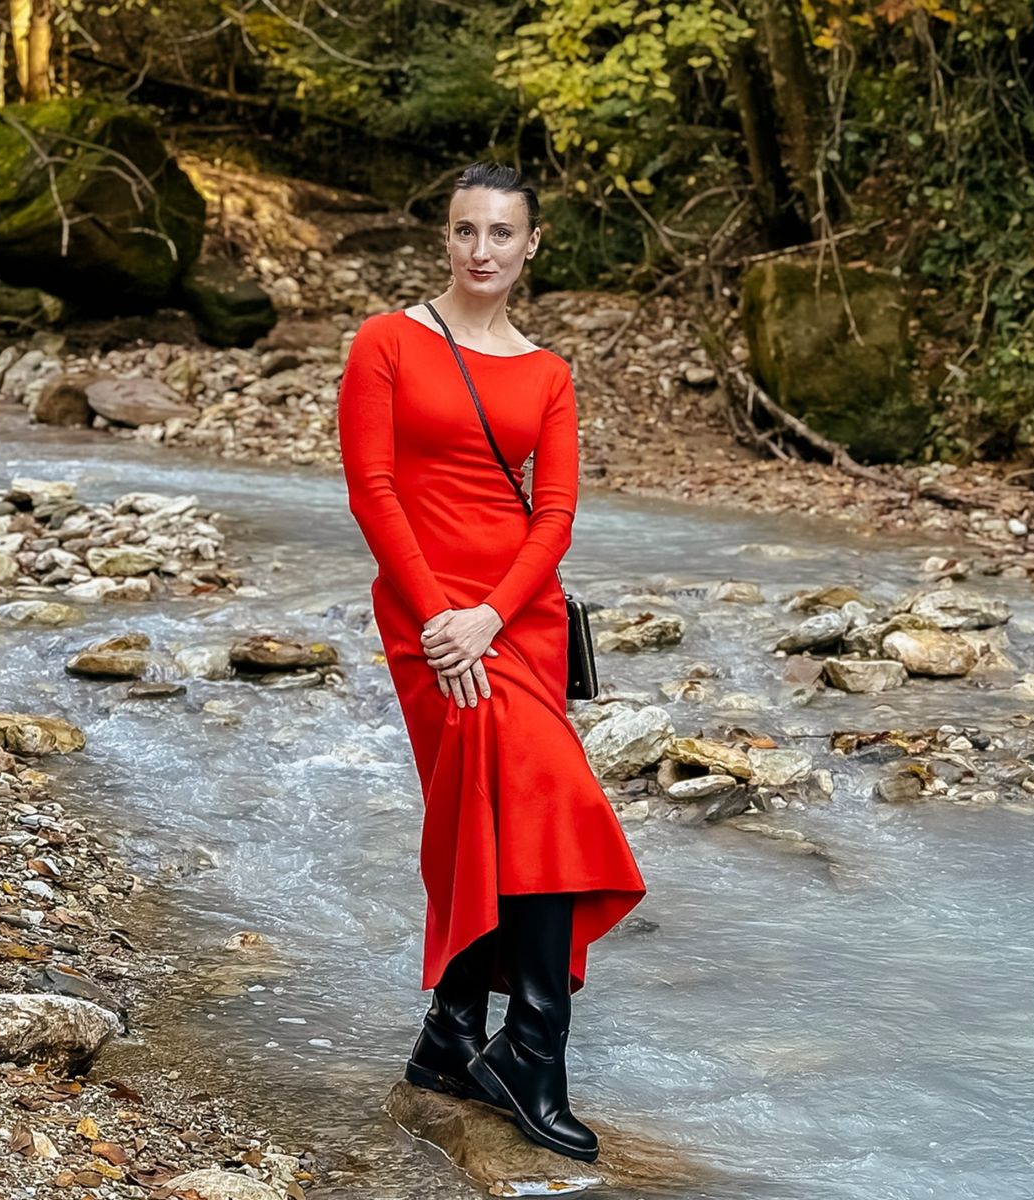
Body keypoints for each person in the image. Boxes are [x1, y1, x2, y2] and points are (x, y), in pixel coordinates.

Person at [336, 161, 646, 1164]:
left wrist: (491, 616)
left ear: (531, 245)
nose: (481, 250)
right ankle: (529, 1054)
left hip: (516, 614)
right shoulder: (386, 342)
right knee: (525, 791)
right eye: (466, 230)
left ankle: (456, 1035)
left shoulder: (547, 372)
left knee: (515, 801)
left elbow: (554, 514)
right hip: (425, 614)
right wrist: (442, 619)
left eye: (501, 233)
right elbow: (373, 489)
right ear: (445, 237)